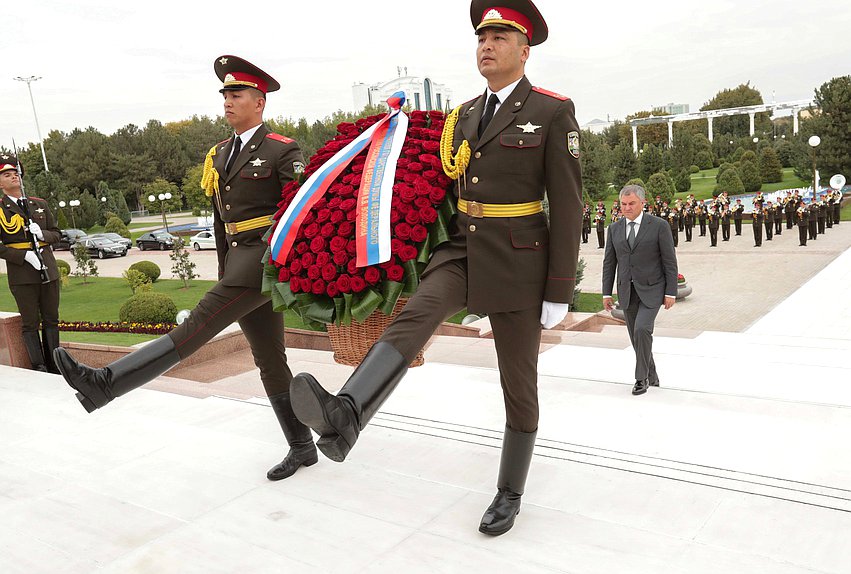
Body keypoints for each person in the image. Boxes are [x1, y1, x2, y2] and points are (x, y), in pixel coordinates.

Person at [288, 0, 582, 537]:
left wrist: (559, 288)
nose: (486, 46)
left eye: (497, 37)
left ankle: (509, 490)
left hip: (520, 260)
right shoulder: (465, 114)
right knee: (414, 316)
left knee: (518, 384)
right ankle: (347, 413)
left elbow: (568, 205)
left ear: (524, 49)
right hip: (462, 248)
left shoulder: (551, 111)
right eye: (480, 38)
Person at [52, 56, 317, 482]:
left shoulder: (282, 148)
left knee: (194, 328)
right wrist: (225, 266)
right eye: (225, 95)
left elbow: (300, 209)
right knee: (269, 358)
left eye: (236, 94)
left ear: (259, 102)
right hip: (238, 261)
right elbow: (220, 220)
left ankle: (106, 383)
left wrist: (280, 265)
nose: (228, 102)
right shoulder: (220, 153)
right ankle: (302, 446)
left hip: (264, 260)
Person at [602, 185, 677, 396]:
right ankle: (652, 375)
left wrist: (671, 292)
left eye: (631, 203)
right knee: (637, 338)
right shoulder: (614, 229)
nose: (627, 208)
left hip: (653, 290)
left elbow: (669, 261)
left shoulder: (659, 226)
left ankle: (640, 378)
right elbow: (610, 263)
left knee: (642, 330)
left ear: (642, 203)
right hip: (627, 291)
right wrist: (606, 293)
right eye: (623, 204)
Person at [0, 155, 62, 373]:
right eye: (7, 175)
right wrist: (23, 256)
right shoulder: (1, 208)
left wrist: (42, 233)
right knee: (30, 323)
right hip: (22, 274)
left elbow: (57, 234)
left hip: (48, 270)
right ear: (0, 183)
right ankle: (40, 366)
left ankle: (56, 364)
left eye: (15, 173)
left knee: (51, 319)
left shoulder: (39, 204)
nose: (13, 177)